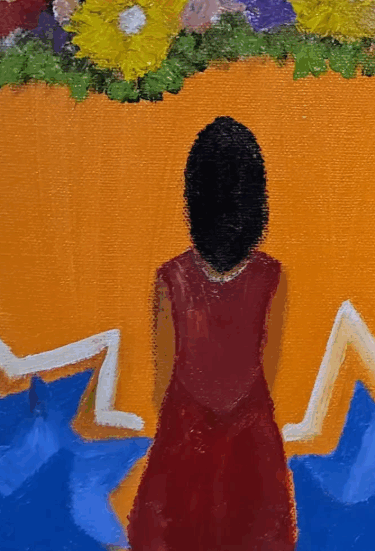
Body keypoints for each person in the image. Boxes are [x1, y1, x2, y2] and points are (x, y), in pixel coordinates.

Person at [127, 116, 297, 551]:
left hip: (184, 434)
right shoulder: (271, 276)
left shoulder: (171, 277)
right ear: (255, 199)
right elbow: (269, 369)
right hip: (251, 437)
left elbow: (162, 379)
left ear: (195, 198)